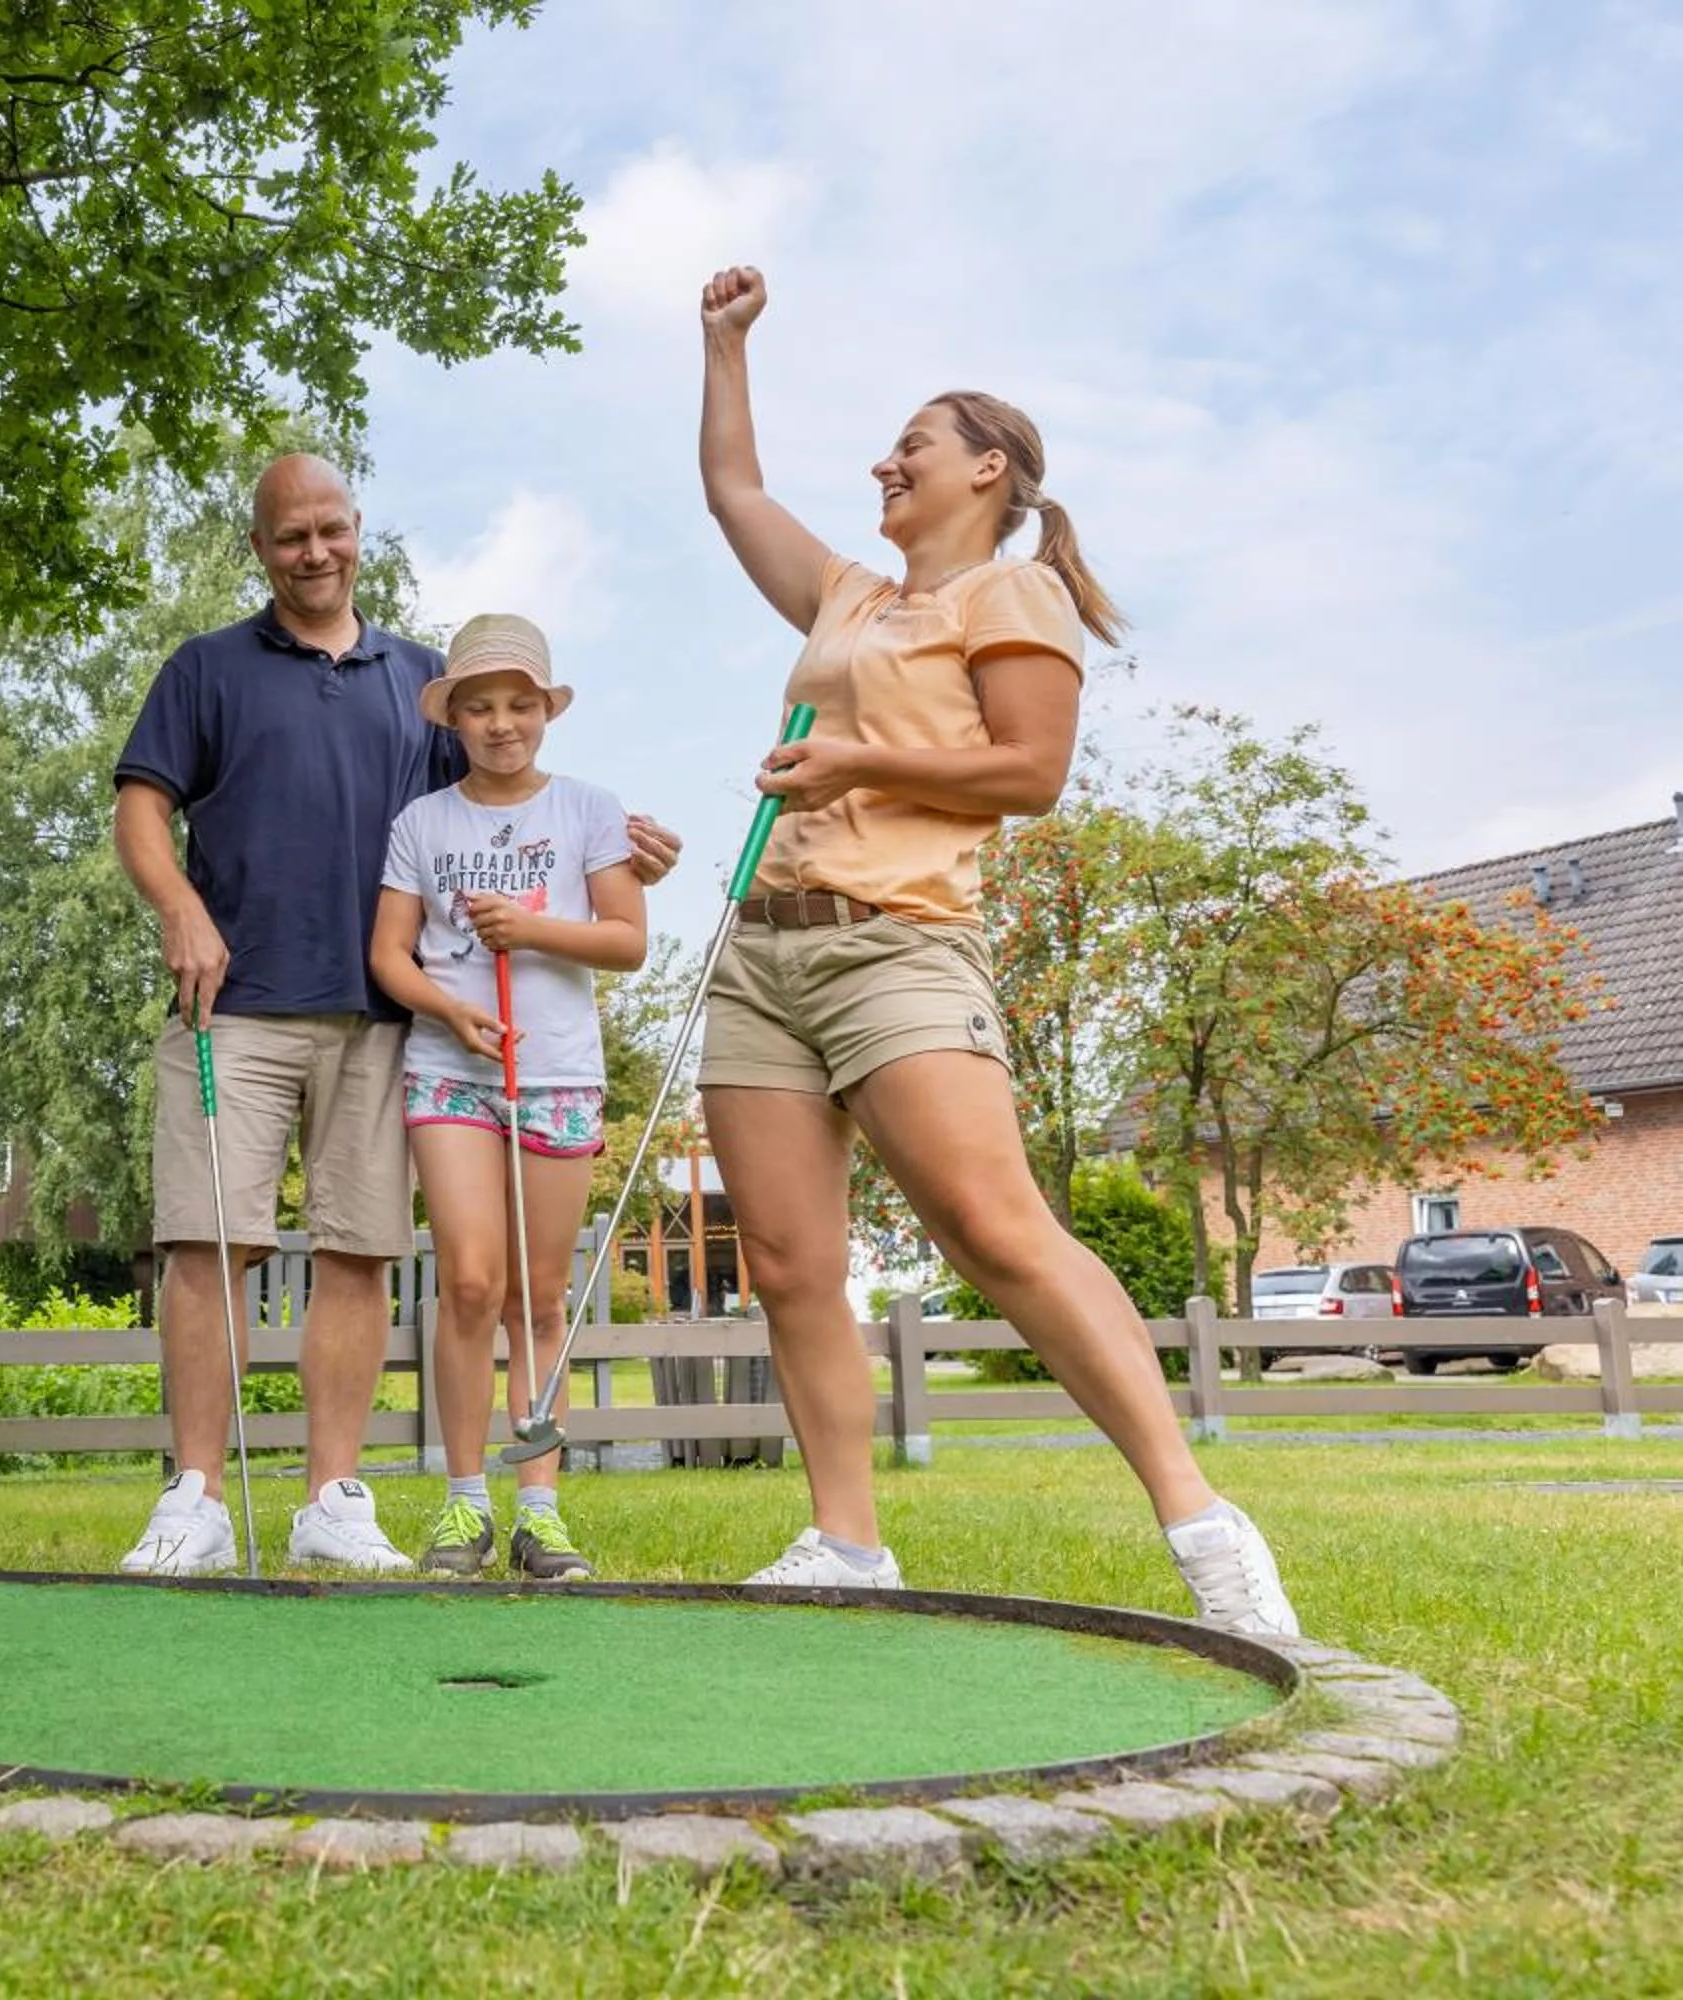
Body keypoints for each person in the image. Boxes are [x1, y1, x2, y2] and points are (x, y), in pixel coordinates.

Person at [692, 265, 1299, 1636]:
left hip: (898, 947)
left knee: (993, 1226)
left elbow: (1031, 772)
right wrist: (725, 346)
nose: (884, 462)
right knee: (786, 1261)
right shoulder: (849, 597)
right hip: (762, 954)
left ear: (988, 469)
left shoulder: (1013, 593)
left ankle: (1201, 1521)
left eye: (911, 442)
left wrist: (854, 757)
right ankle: (848, 1541)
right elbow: (734, 490)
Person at [111, 455, 677, 1576]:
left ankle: (333, 1497)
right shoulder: (206, 667)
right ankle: (195, 1498)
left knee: (360, 1253)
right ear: (260, 547)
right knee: (208, 1243)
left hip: (384, 1019)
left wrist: (622, 855)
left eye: (331, 528)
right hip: (235, 1003)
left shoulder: (425, 679)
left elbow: (503, 804)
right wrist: (179, 906)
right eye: (290, 536)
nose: (314, 551)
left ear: (357, 529)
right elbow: (141, 808)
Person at [369, 615, 645, 1580]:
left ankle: (540, 1511)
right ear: (453, 718)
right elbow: (388, 954)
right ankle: (463, 1504)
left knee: (538, 1295)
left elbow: (626, 939)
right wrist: (449, 1010)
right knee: (471, 1283)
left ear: (545, 712)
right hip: (450, 1068)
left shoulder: (589, 809)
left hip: (557, 1069)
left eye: (520, 705)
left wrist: (531, 931)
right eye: (480, 707)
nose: (500, 724)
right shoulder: (423, 822)